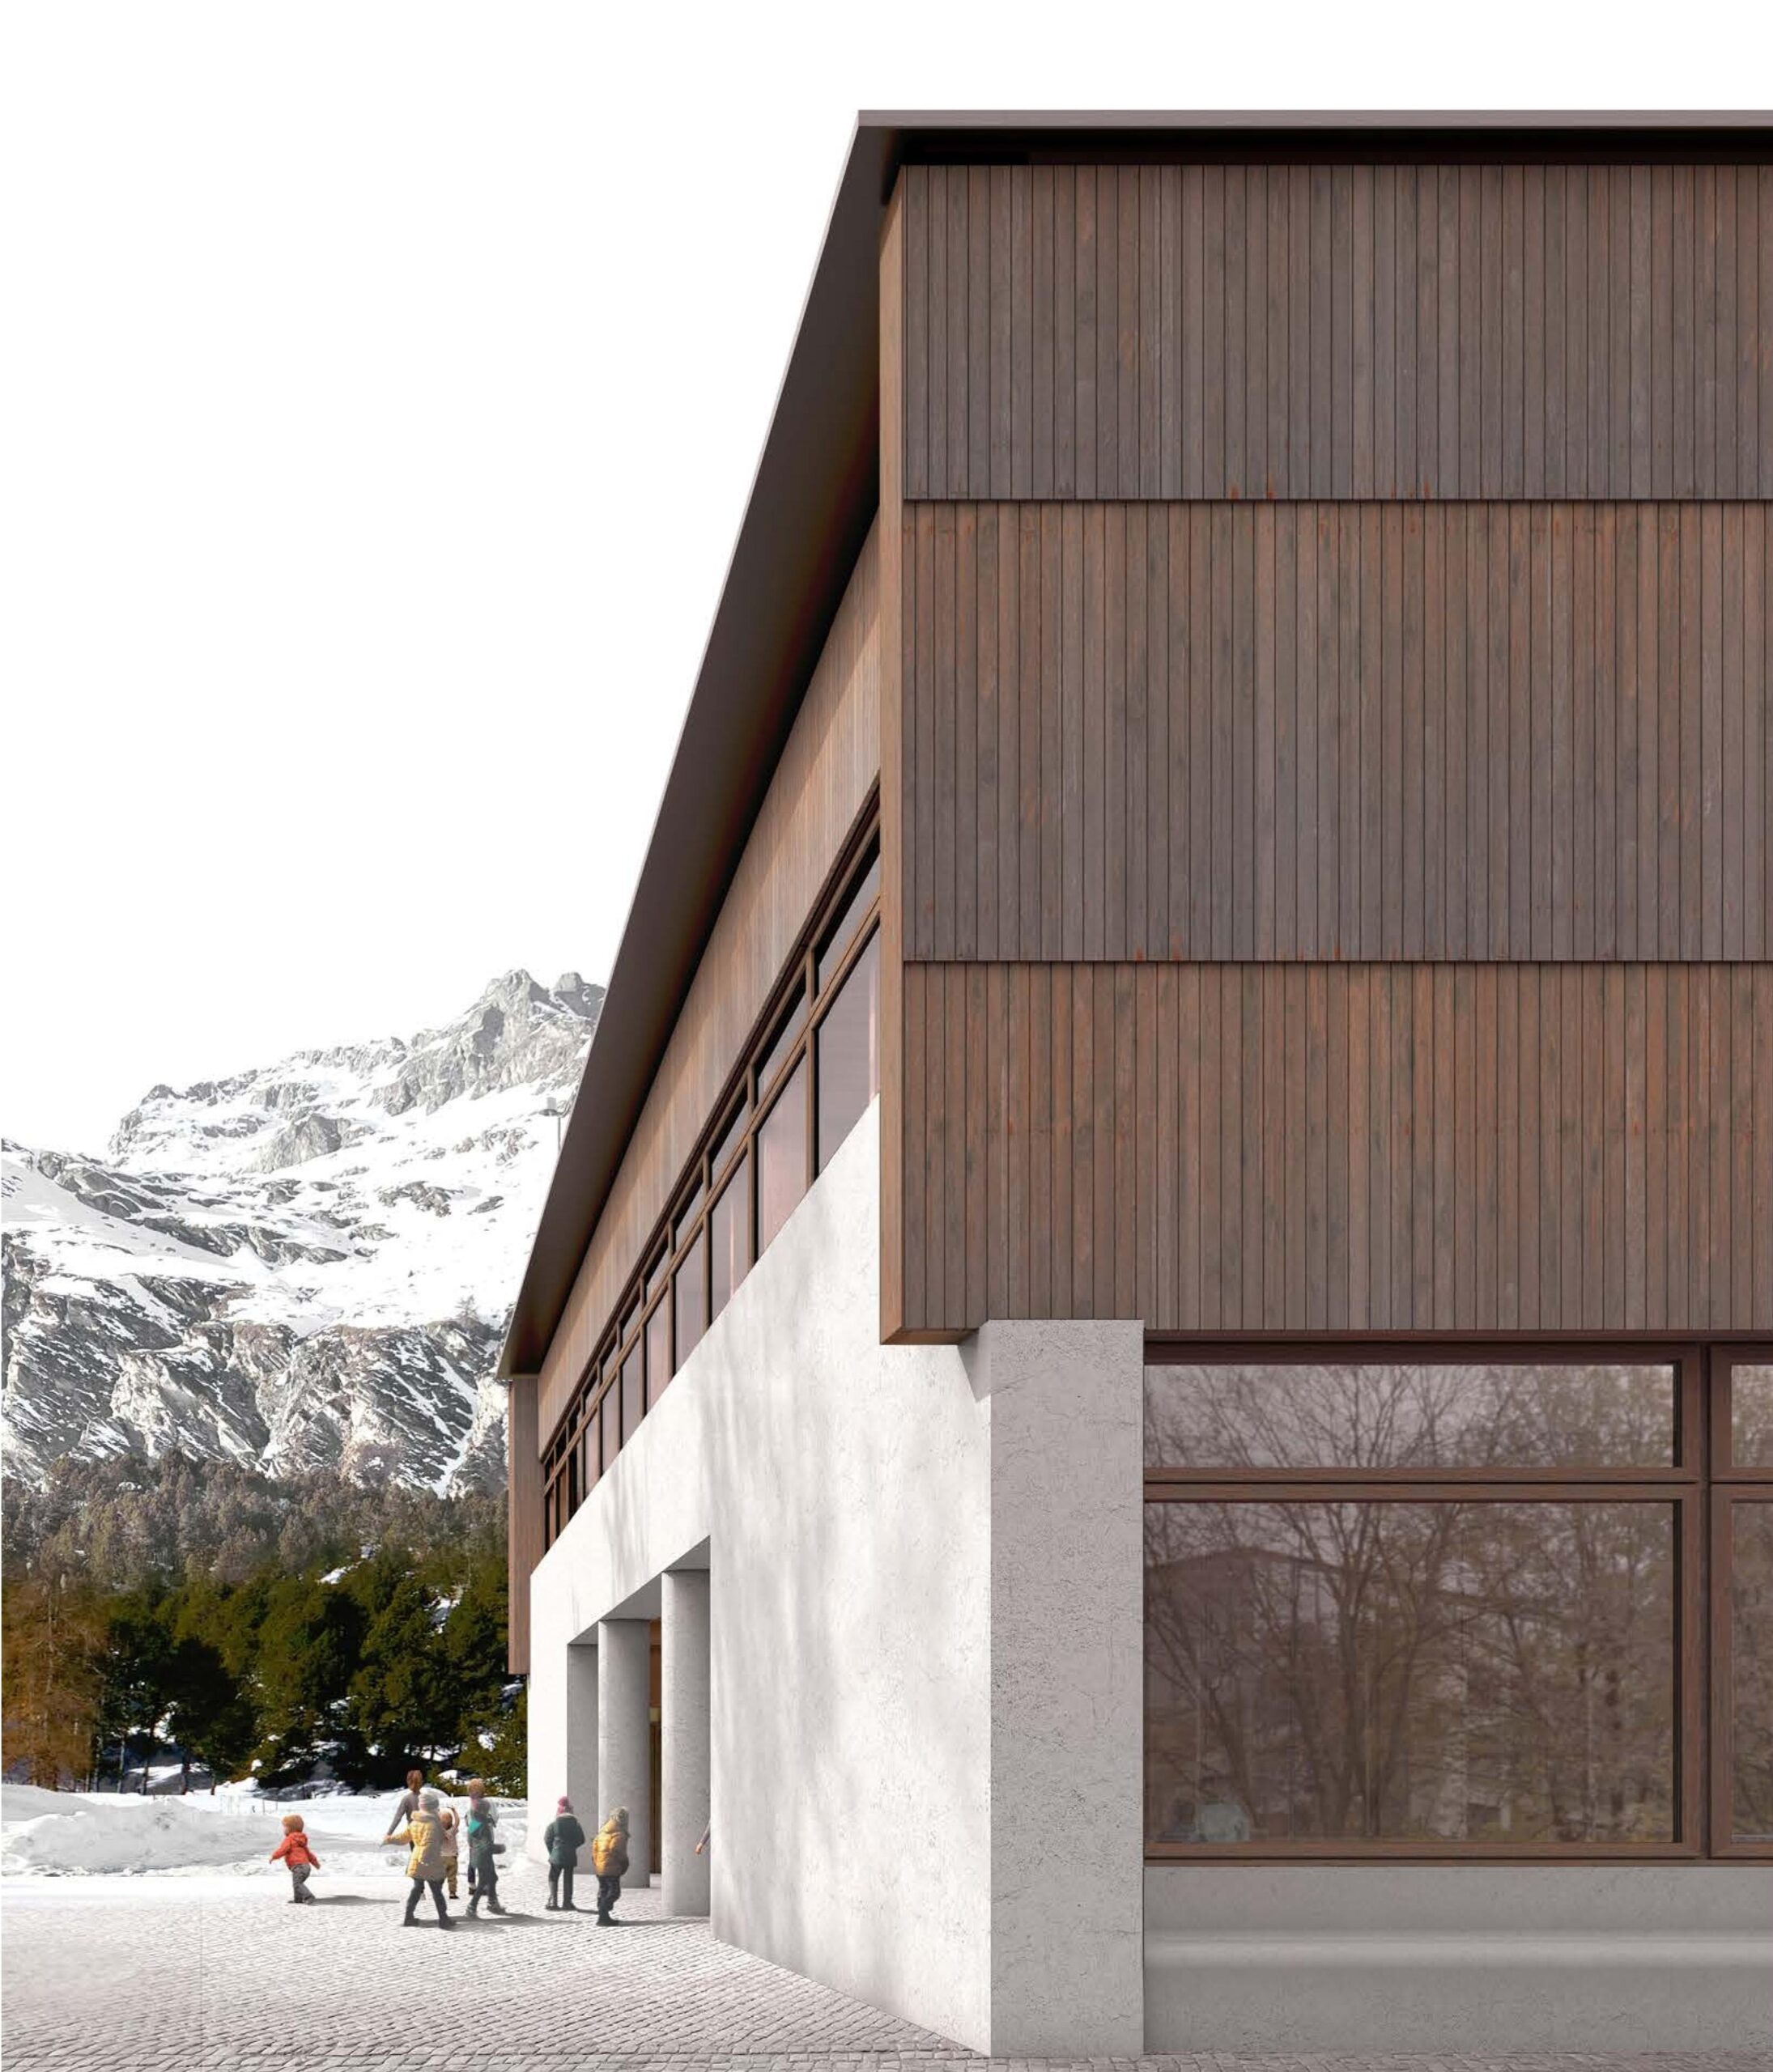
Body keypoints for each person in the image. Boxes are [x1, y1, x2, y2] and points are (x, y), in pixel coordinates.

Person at [390, 1788, 453, 1928]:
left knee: (417, 1889)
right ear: (432, 1807)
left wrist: (390, 1839)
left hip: (416, 1860)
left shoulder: (415, 1822)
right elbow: (429, 1842)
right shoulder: (432, 1823)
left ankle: (408, 1917)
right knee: (436, 1891)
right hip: (429, 1861)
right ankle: (444, 1920)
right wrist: (426, 1858)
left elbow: (404, 1837)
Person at [463, 1782, 506, 1918]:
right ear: (484, 1811)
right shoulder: (483, 1825)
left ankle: (492, 1902)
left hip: (478, 1854)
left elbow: (470, 1839)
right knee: (484, 1881)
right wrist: (499, 1848)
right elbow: (486, 1845)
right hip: (483, 1856)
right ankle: (472, 1907)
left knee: (492, 1878)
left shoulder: (475, 1822)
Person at [543, 1795, 586, 1912]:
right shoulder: (576, 1824)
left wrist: (552, 1851)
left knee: (553, 1878)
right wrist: (572, 1847)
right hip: (570, 1856)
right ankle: (567, 1903)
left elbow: (547, 1839)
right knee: (568, 1879)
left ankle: (553, 1902)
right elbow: (581, 1840)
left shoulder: (554, 1824)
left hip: (557, 1854)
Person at [589, 1805, 630, 1926]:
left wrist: (597, 1863)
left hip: (600, 1868)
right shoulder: (619, 1834)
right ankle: (603, 1913)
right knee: (614, 1892)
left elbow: (594, 1849)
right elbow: (618, 1851)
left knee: (604, 1891)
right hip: (612, 1868)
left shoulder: (602, 1832)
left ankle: (603, 1916)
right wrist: (625, 1864)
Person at [269, 1813, 320, 1904]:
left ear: (290, 1828)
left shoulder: (289, 1839)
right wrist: (316, 1863)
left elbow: (283, 1850)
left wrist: (274, 1856)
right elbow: (309, 1854)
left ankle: (309, 1896)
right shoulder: (302, 1841)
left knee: (297, 1884)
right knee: (297, 1883)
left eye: (285, 1827)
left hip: (298, 1866)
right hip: (306, 1867)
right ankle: (298, 1900)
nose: (284, 1829)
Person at [380, 1768, 426, 1845]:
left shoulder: (407, 1799)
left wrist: (389, 1833)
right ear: (421, 1782)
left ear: (409, 1782)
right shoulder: (427, 1798)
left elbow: (398, 1817)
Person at [437, 1796, 461, 1900]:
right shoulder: (452, 1831)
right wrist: (454, 1811)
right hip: (452, 1858)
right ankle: (452, 1893)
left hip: (441, 1858)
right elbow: (457, 1822)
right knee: (452, 1877)